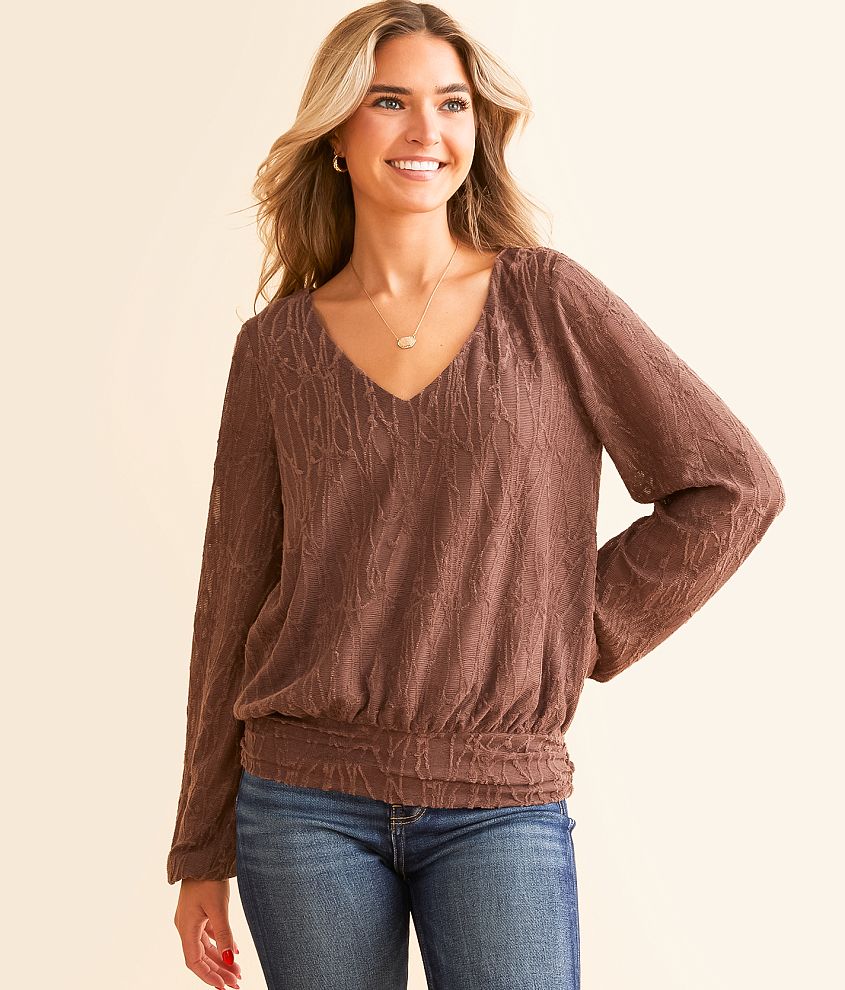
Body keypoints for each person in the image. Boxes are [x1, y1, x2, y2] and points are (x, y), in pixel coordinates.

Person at [167, 3, 786, 989]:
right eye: (389, 101)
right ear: (335, 133)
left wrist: (574, 625)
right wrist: (200, 846)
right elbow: (230, 594)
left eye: (451, 104)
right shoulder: (275, 349)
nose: (426, 130)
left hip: (500, 799)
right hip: (301, 801)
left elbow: (731, 484)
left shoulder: (547, 301)